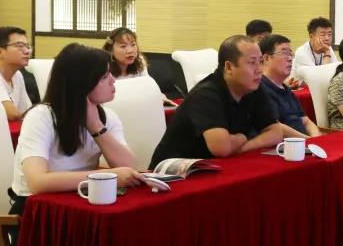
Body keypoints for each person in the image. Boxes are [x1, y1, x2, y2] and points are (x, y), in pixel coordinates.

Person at [9, 43, 145, 239]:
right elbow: (37, 183)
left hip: (80, 206)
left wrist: (96, 127)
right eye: (104, 77)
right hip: (37, 216)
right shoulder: (42, 117)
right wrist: (105, 177)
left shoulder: (106, 117)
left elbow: (129, 167)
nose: (113, 80)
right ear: (82, 84)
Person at [150, 35, 282, 167]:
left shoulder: (253, 87)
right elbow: (222, 148)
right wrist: (244, 137)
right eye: (252, 63)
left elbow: (276, 133)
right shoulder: (206, 94)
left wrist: (242, 146)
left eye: (260, 62)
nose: (259, 70)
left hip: (215, 165)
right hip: (175, 171)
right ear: (229, 67)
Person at [259, 34, 320, 137]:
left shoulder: (286, 90)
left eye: (290, 53)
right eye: (284, 53)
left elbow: (306, 121)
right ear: (266, 58)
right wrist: (307, 140)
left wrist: (316, 139)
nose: (290, 58)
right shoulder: (260, 89)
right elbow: (275, 127)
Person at [102, 27, 176, 106]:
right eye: (123, 46)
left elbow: (148, 87)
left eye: (133, 44)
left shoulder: (140, 62)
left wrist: (160, 97)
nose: (130, 50)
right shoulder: (103, 67)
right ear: (111, 50)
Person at [290, 16, 338, 83]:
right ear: (311, 36)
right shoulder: (302, 52)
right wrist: (326, 53)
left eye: (329, 34)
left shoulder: (327, 48)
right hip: (298, 88)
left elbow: (337, 71)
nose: (327, 38)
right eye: (323, 35)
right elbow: (317, 79)